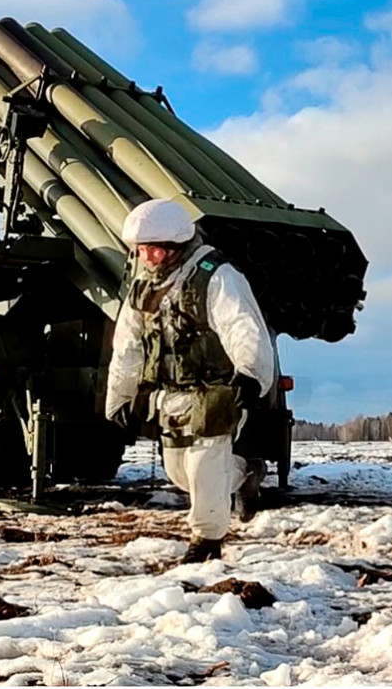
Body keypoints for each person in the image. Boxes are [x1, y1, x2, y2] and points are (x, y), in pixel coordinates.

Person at [106, 199, 276, 564]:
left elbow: (242, 324)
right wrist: (118, 398)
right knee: (181, 474)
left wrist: (250, 374)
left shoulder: (215, 276)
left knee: (204, 468)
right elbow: (127, 346)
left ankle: (206, 542)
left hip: (215, 390)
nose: (147, 258)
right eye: (140, 250)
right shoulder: (142, 289)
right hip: (169, 394)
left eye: (153, 250)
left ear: (175, 245)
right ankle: (246, 473)